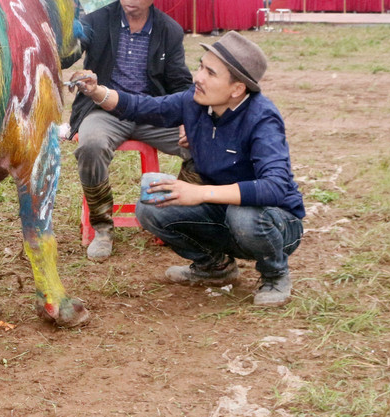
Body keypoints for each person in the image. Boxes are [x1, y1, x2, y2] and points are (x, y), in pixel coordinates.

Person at [69, 31, 304, 306]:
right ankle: (215, 267)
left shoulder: (262, 118)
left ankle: (275, 274)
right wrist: (96, 91)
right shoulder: (194, 103)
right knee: (152, 208)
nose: (198, 77)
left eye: (211, 73)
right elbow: (142, 107)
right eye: (201, 66)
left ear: (237, 89)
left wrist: (200, 194)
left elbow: (275, 187)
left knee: (244, 216)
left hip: (275, 221)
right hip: (224, 211)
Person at [68, 0, 195, 262]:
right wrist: (75, 64)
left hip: (153, 110)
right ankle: (102, 226)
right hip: (105, 108)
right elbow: (66, 54)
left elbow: (180, 84)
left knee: (203, 143)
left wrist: (190, 121)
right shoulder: (96, 21)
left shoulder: (169, 31)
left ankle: (174, 216)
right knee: (91, 145)